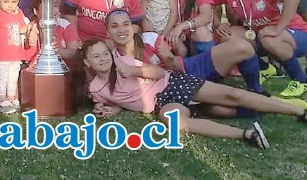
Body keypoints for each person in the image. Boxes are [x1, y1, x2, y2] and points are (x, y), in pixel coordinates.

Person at [83, 38, 307, 149]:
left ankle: (298, 110)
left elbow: (159, 72)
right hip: (163, 102)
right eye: (96, 57)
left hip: (173, 84)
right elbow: (117, 99)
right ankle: (246, 134)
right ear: (87, 62)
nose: (103, 59)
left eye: (105, 54)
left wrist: (133, 69)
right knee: (175, 121)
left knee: (232, 95)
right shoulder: (95, 88)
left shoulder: (124, 63)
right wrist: (110, 108)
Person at [107, 9, 263, 97]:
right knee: (219, 110)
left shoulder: (149, 38)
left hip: (189, 69)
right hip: (174, 89)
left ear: (133, 27)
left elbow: (176, 61)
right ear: (107, 31)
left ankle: (256, 89)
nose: (121, 30)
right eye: (114, 26)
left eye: (126, 24)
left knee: (243, 47)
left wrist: (169, 57)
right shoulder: (111, 57)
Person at [213, 0, 307, 97]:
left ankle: (301, 81)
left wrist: (278, 28)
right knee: (228, 36)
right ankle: (261, 76)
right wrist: (218, 24)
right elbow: (208, 2)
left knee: (269, 39)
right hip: (261, 34)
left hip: (294, 32)